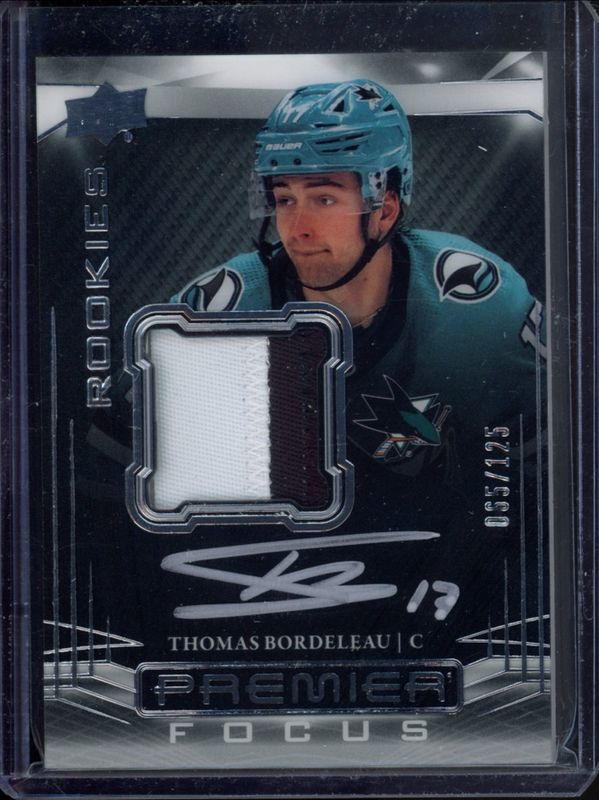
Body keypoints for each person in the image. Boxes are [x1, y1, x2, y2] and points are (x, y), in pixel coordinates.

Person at [172, 79, 547, 658]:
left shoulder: (473, 300)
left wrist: (469, 564)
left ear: (384, 207)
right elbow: (120, 479)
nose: (297, 228)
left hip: (438, 594)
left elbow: (545, 470)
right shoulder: (224, 309)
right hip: (266, 591)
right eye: (285, 198)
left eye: (324, 199)